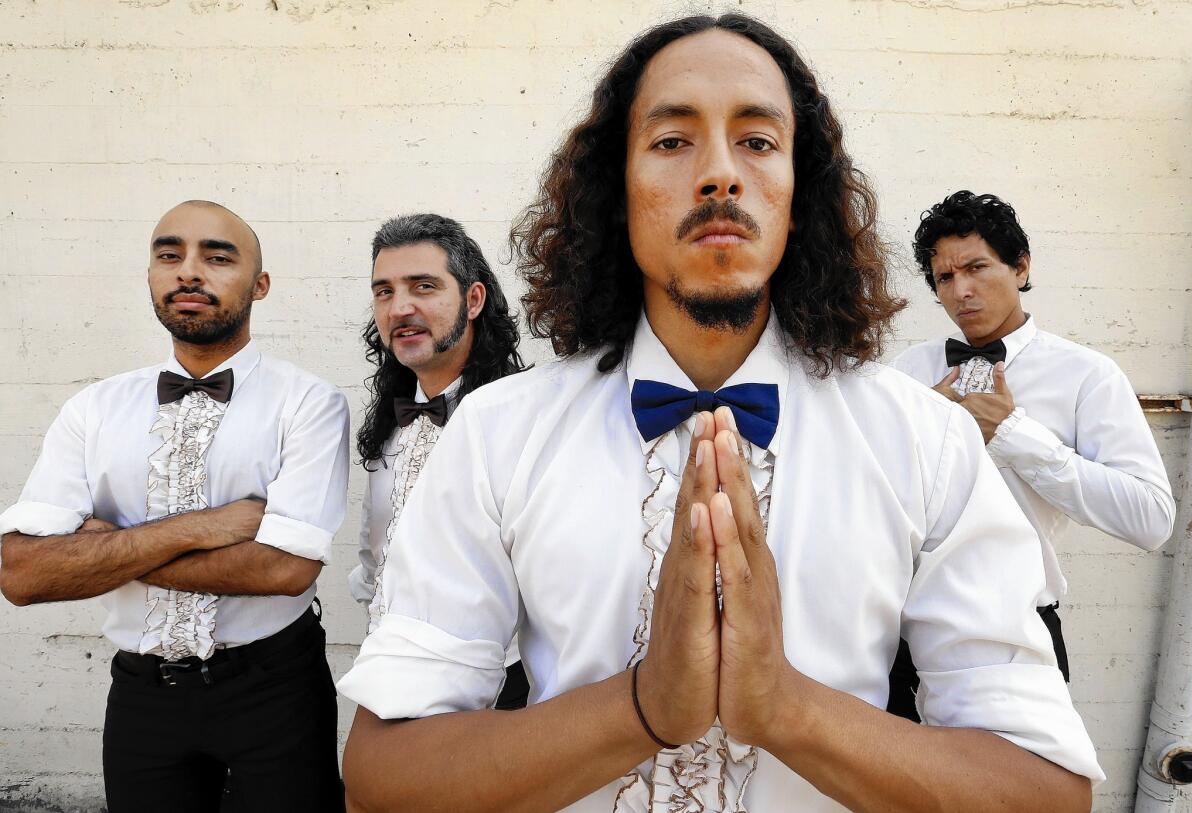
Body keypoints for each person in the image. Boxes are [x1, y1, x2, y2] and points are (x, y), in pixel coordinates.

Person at [337, 15, 1102, 812]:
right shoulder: (497, 433)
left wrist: (785, 707)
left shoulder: (926, 440)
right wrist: (643, 707)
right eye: (672, 141)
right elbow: (383, 776)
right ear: (616, 191)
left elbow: (1047, 792)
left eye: (759, 142)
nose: (719, 175)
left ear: (801, 193)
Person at [0, 200, 349, 812]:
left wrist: (100, 549)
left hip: (276, 688)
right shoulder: (93, 409)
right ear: (152, 277)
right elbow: (22, 574)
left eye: (218, 257)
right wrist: (209, 527)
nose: (190, 272)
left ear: (259, 285)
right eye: (170, 255)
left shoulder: (310, 403)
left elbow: (284, 570)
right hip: (143, 695)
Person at [888, 190, 1174, 710]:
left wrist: (1015, 435)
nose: (961, 292)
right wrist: (915, 434)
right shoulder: (906, 374)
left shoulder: (1086, 375)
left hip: (1015, 628)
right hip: (896, 633)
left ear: (1020, 267)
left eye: (976, 268)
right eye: (945, 278)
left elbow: (1151, 518)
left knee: (1013, 790)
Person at [349, 212, 528, 708]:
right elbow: (373, 561)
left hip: (496, 689)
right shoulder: (389, 428)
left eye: (422, 286)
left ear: (473, 300)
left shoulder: (523, 423)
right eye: (384, 291)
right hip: (389, 676)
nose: (399, 307)